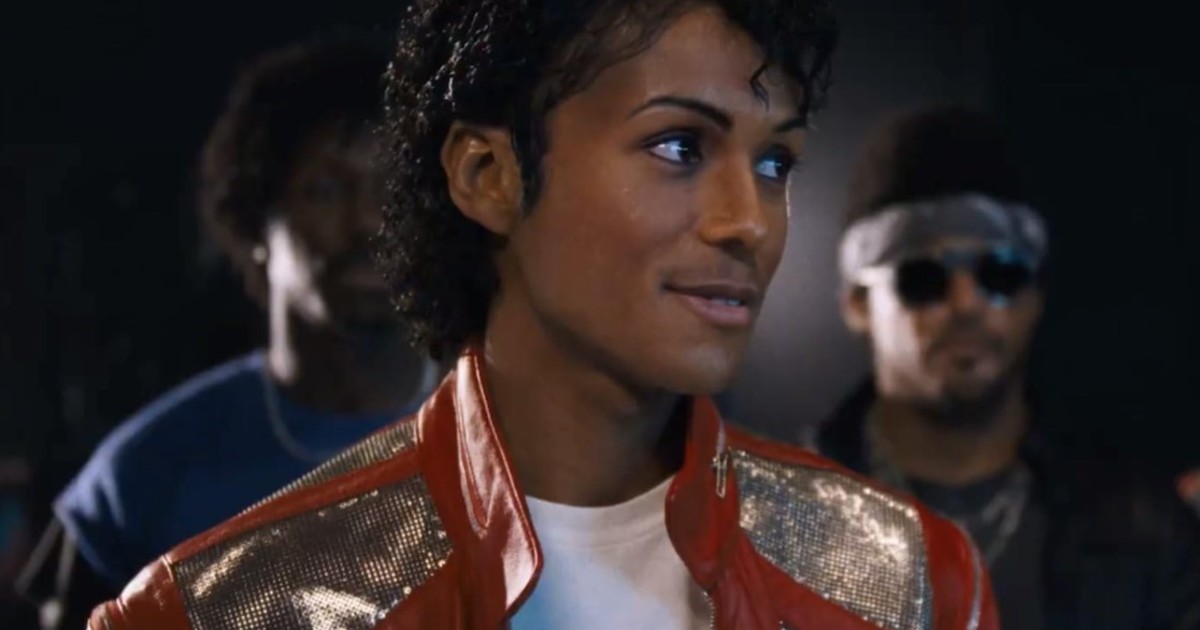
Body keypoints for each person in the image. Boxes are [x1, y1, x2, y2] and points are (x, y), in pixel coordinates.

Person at [88, 3, 999, 629]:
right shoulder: (220, 611)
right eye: (678, 146)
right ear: (487, 175)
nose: (749, 223)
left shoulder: (912, 583)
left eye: (774, 164)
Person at [17, 37, 438, 630]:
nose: (368, 221)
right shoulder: (147, 473)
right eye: (325, 190)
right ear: (255, 221)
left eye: (392, 189)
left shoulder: (515, 434)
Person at [817, 103, 1200, 629]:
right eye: (923, 278)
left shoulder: (1143, 528)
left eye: (1001, 272)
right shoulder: (774, 507)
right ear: (858, 303)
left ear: (1036, 295)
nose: (966, 303)